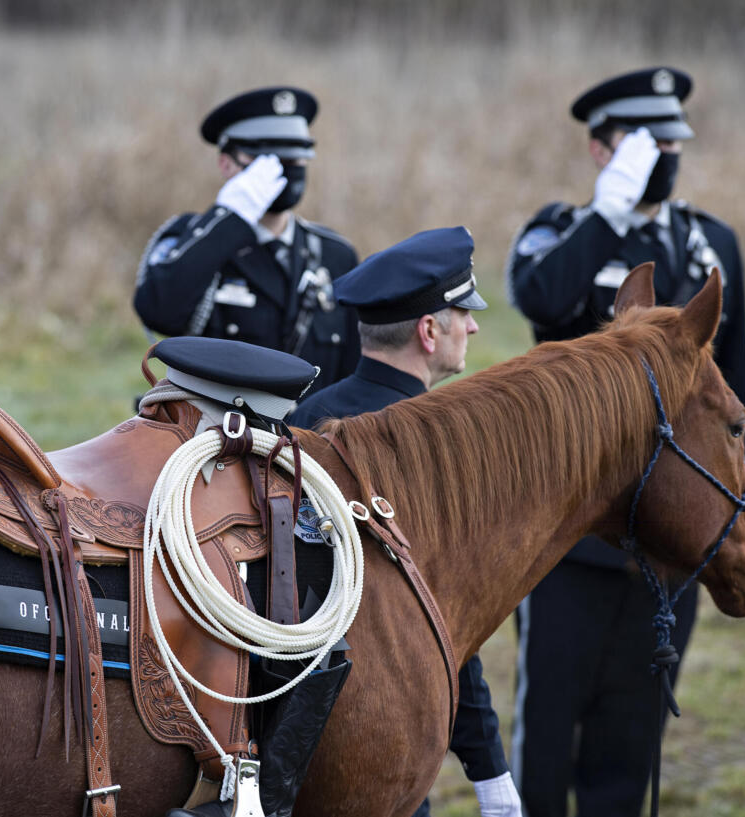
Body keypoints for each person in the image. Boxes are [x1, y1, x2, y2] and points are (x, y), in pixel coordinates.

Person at [504, 67, 745, 817]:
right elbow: (542, 299)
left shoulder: (713, 242)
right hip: (568, 537)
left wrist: (726, 511)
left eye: (672, 141)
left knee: (633, 736)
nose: (664, 156)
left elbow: (734, 399)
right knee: (546, 732)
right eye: (645, 142)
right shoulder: (561, 230)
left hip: (670, 531)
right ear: (599, 147)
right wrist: (608, 214)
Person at [291, 227, 522, 817]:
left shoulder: (307, 415)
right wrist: (491, 771)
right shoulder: (433, 448)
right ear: (428, 331)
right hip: (379, 748)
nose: (471, 327)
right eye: (461, 313)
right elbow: (444, 623)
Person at [134, 86, 360, 393]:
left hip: (310, 437)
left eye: (295, 157)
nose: (287, 168)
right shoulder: (194, 240)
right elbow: (159, 310)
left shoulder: (336, 255)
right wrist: (230, 219)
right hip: (219, 436)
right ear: (227, 163)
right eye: (268, 157)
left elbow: (350, 375)